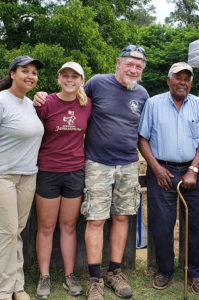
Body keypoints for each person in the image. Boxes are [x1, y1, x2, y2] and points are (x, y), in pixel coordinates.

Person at [33, 45, 149, 300]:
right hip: (97, 163)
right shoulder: (98, 83)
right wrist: (40, 95)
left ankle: (114, 273)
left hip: (129, 163)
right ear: (118, 62)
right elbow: (71, 97)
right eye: (129, 63)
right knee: (96, 220)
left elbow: (144, 131)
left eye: (139, 66)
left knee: (122, 218)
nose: (133, 69)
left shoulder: (142, 93)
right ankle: (95, 279)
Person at [138, 62, 199, 295]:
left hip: (192, 170)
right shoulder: (153, 104)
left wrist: (193, 169)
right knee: (162, 222)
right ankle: (164, 270)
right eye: (178, 78)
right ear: (168, 80)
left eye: (187, 79)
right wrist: (155, 168)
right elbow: (142, 139)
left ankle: (195, 273)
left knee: (196, 223)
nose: (183, 82)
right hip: (161, 169)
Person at [34, 62, 92, 299]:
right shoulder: (45, 103)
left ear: (81, 81)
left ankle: (69, 276)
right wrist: (36, 95)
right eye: (65, 75)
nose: (69, 80)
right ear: (58, 79)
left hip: (74, 171)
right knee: (46, 227)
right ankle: (44, 277)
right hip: (48, 170)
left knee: (68, 226)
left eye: (74, 76)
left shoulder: (86, 105)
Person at [0, 56, 44, 300]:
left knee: (16, 231)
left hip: (28, 175)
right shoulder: (2, 101)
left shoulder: (29, 104)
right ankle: (5, 289)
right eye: (25, 71)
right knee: (6, 233)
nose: (31, 76)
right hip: (3, 175)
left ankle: (17, 286)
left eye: (34, 72)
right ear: (13, 73)